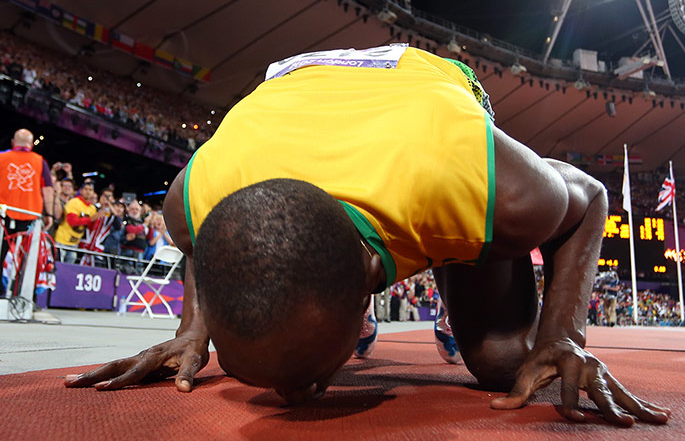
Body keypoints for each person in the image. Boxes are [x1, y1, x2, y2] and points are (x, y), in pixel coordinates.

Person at [65, 45, 670, 426]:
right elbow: (202, 235)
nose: (293, 398)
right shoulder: (194, 199)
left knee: (508, 364)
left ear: (369, 289)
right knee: (495, 357)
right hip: (290, 93)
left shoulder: (487, 188)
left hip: (421, 88)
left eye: (295, 379)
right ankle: (321, 325)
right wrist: (193, 328)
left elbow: (591, 196)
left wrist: (564, 337)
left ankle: (450, 271)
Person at [0, 129, 54, 295]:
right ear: (31, 145)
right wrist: (49, 214)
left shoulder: (2, 157)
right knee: (26, 258)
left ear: (12, 143)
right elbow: (48, 190)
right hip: (30, 216)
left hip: (3, 215)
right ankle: (21, 295)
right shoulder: (40, 161)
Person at [54, 180, 106, 264]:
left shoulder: (92, 208)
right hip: (62, 240)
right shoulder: (74, 202)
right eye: (86, 189)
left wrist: (96, 220)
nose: (88, 192)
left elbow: (90, 228)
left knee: (69, 268)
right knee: (58, 265)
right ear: (81, 191)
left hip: (75, 243)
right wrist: (91, 219)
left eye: (90, 190)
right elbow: (72, 221)